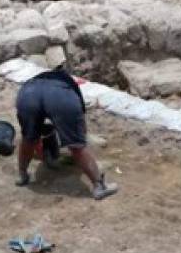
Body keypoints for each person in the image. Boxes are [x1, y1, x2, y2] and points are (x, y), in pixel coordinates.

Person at [15, 65, 118, 200]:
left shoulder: (36, 80)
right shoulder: (69, 85)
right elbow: (80, 128)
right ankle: (99, 186)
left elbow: (38, 127)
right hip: (59, 96)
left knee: (28, 138)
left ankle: (22, 176)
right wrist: (78, 140)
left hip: (28, 93)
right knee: (77, 146)